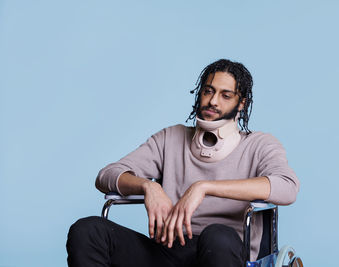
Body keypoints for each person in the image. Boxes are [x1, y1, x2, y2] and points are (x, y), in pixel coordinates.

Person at [66, 59, 299, 267]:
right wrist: (149, 187)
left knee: (217, 235)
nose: (213, 101)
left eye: (225, 95)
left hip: (225, 251)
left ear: (241, 104)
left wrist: (203, 187)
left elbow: (287, 187)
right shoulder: (171, 138)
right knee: (87, 230)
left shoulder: (259, 145)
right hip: (167, 249)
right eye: (208, 91)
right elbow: (107, 175)